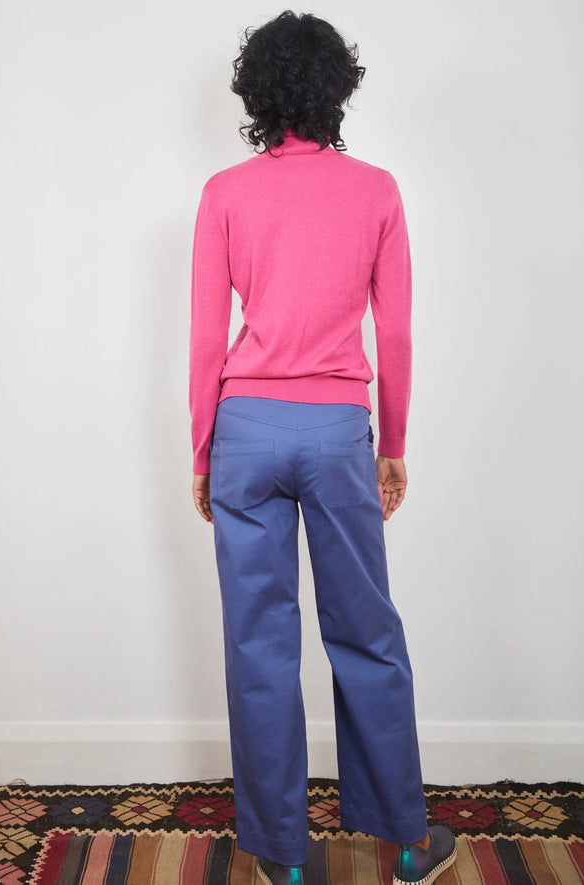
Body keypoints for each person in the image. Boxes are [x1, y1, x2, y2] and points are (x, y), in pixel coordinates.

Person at [188, 11, 457, 885]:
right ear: (338, 89)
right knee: (365, 632)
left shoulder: (225, 193)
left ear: (257, 94)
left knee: (258, 645)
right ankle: (408, 843)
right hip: (340, 432)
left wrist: (203, 451)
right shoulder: (376, 190)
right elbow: (397, 332)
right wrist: (394, 441)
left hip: (246, 433)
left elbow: (206, 339)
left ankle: (285, 857)